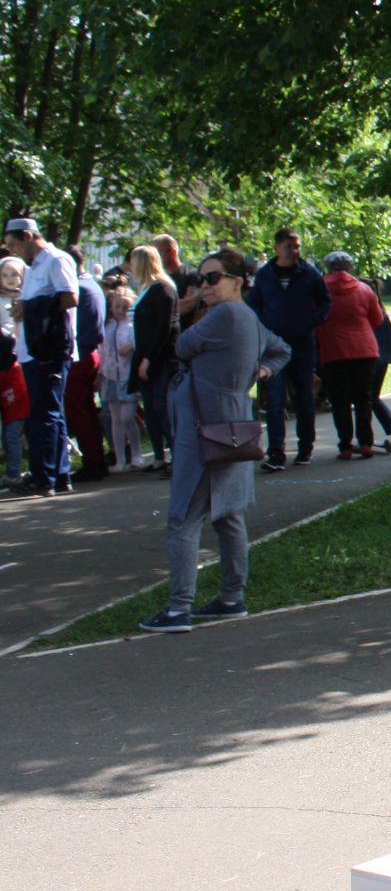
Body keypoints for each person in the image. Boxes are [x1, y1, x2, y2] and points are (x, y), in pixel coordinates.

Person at [138, 249, 290, 633]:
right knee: (228, 516)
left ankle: (178, 608)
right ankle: (231, 597)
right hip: (232, 429)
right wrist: (262, 370)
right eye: (200, 279)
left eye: (212, 278)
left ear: (236, 281)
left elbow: (182, 345)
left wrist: (190, 312)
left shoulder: (225, 314)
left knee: (183, 518)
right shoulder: (249, 319)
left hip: (205, 433)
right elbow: (280, 349)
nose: (203, 286)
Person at [3, 217, 78, 497]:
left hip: (52, 350)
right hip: (36, 349)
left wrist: (30, 307)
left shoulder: (56, 260)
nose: (13, 251)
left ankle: (43, 475)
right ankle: (57, 475)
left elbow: (70, 297)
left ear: (27, 236)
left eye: (14, 245)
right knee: (51, 412)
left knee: (43, 413)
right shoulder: (34, 266)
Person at [247, 227, 331, 471]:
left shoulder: (309, 273)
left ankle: (305, 448)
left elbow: (325, 301)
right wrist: (265, 327)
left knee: (304, 398)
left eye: (297, 247)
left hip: (301, 344)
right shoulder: (265, 276)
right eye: (289, 247)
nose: (294, 251)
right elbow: (254, 305)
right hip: (273, 347)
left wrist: (312, 321)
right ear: (277, 247)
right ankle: (276, 454)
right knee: (274, 400)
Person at [315, 250, 386, 458]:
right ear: (350, 267)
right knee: (363, 398)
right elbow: (377, 319)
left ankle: (345, 445)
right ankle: (366, 443)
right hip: (365, 348)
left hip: (334, 349)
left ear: (328, 266)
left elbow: (316, 319)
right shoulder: (364, 289)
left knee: (340, 400)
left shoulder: (321, 290)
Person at [129, 245, 179, 471]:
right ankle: (159, 456)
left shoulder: (163, 289)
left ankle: (178, 453)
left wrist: (148, 358)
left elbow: (164, 327)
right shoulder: (145, 288)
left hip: (161, 357)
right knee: (149, 406)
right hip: (145, 354)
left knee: (162, 405)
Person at [65, 261, 109, 481]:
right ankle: (96, 459)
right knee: (88, 410)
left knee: (78, 411)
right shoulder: (92, 285)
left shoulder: (80, 289)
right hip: (90, 353)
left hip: (79, 355)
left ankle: (92, 462)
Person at [100, 284, 143, 473]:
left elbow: (139, 343)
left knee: (127, 417)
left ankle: (136, 454)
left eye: (124, 307)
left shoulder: (132, 327)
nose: (120, 310)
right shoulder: (107, 326)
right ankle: (120, 459)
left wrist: (132, 346)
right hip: (110, 375)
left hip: (127, 376)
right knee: (115, 419)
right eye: (117, 306)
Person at [363, 276, 391, 451]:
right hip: (384, 358)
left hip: (371, 358)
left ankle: (389, 430)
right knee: (372, 397)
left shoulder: (368, 314)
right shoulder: (382, 312)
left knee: (367, 398)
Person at [0, 255, 26, 489]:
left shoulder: (27, 298)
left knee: (15, 424)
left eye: (14, 274)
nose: (10, 279)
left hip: (20, 364)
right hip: (3, 363)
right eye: (5, 275)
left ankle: (15, 471)